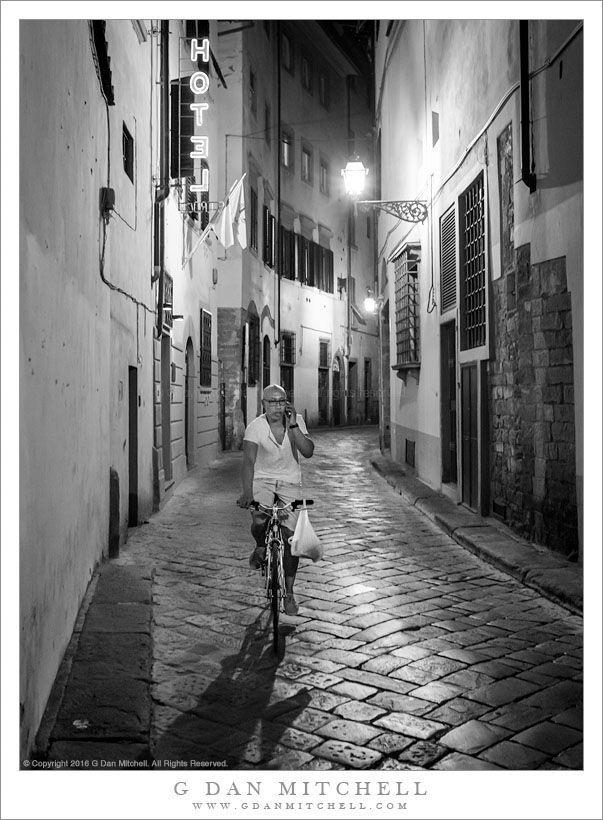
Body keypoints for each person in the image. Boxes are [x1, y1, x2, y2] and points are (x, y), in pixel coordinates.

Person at [236, 384, 315, 615]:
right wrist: (248, 494)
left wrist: (293, 426)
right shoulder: (255, 427)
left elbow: (308, 451)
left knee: (291, 540)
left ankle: (289, 594)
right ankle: (261, 546)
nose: (277, 406)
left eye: (281, 401)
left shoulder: (296, 421)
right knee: (260, 521)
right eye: (272, 402)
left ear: (287, 403)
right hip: (262, 480)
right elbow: (248, 462)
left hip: (290, 482)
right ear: (264, 404)